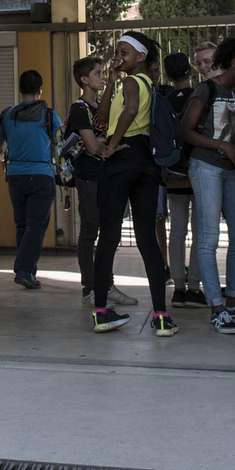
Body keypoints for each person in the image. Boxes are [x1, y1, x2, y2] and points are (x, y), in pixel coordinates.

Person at [90, 32, 178, 336]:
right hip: (146, 163)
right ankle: (162, 316)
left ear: (141, 57)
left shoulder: (133, 82)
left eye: (124, 52)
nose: (119, 56)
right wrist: (110, 81)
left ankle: (101, 312)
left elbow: (127, 113)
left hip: (121, 159)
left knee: (109, 236)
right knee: (147, 239)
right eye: (117, 52)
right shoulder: (140, 85)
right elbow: (100, 121)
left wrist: (112, 145)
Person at [182, 38, 235, 334]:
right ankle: (216, 306)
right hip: (207, 166)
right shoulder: (208, 88)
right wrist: (222, 147)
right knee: (209, 238)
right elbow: (186, 131)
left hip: (233, 169)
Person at [68, 56, 136, 308]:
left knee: (109, 231)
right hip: (88, 176)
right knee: (89, 231)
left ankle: (107, 285)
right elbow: (93, 146)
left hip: (104, 175)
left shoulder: (99, 107)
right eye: (98, 73)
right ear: (85, 80)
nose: (102, 76)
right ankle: (90, 288)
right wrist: (113, 147)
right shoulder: (79, 109)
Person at [0, 69, 62, 290]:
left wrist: (4, 157)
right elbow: (61, 144)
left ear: (20, 89)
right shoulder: (50, 115)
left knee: (23, 224)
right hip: (42, 175)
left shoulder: (6, 115)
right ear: (40, 90)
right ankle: (23, 269)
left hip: (15, 176)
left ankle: (28, 271)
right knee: (37, 225)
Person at [161, 52, 202, 307]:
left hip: (172, 173)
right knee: (200, 232)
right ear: (190, 71)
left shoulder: (163, 101)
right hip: (198, 170)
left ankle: (177, 287)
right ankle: (195, 288)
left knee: (176, 231)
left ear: (167, 75)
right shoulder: (199, 97)